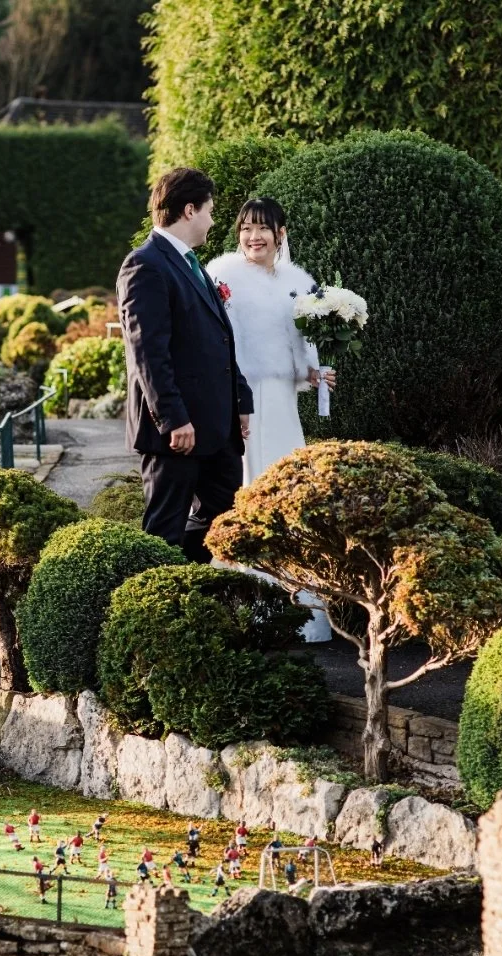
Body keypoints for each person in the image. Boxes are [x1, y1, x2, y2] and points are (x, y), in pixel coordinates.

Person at [206, 197, 335, 641]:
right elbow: (212, 344)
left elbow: (298, 351)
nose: (252, 237)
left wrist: (315, 373)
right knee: (250, 487)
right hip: (241, 400)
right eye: (245, 228)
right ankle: (246, 604)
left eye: (262, 228)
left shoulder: (298, 283)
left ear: (281, 233)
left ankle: (297, 609)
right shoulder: (221, 276)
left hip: (282, 402)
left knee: (290, 490)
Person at [117, 167, 254, 562]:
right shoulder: (145, 265)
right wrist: (173, 418)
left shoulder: (192, 264)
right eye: (210, 211)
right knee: (163, 533)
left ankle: (194, 594)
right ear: (189, 210)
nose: (213, 221)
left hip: (216, 428)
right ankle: (157, 612)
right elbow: (148, 352)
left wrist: (240, 401)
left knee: (224, 522)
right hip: (177, 432)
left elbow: (219, 340)